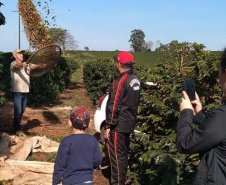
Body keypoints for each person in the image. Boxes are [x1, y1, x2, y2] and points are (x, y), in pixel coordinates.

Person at [176, 48, 226, 184]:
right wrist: (199, 114)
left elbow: (185, 144)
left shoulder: (223, 116)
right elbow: (216, 135)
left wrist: (186, 112)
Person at [103, 51, 141, 185]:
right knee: (123, 155)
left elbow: (114, 106)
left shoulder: (121, 81)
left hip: (118, 125)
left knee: (116, 158)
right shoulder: (135, 79)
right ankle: (122, 180)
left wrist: (109, 125)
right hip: (129, 123)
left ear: (119, 63)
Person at [52, 106, 102, 185]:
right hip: (87, 180)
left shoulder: (66, 141)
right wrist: (93, 167)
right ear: (89, 124)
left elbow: (60, 164)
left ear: (70, 123)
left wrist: (56, 181)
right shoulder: (92, 140)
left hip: (70, 181)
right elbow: (98, 159)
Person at [11, 49, 30, 135]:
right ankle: (17, 128)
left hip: (25, 91)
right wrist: (22, 65)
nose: (22, 55)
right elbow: (16, 67)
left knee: (22, 110)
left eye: (22, 53)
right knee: (18, 110)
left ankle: (16, 124)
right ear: (15, 56)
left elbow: (38, 66)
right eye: (19, 53)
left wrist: (47, 64)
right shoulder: (13, 64)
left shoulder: (27, 64)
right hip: (17, 91)